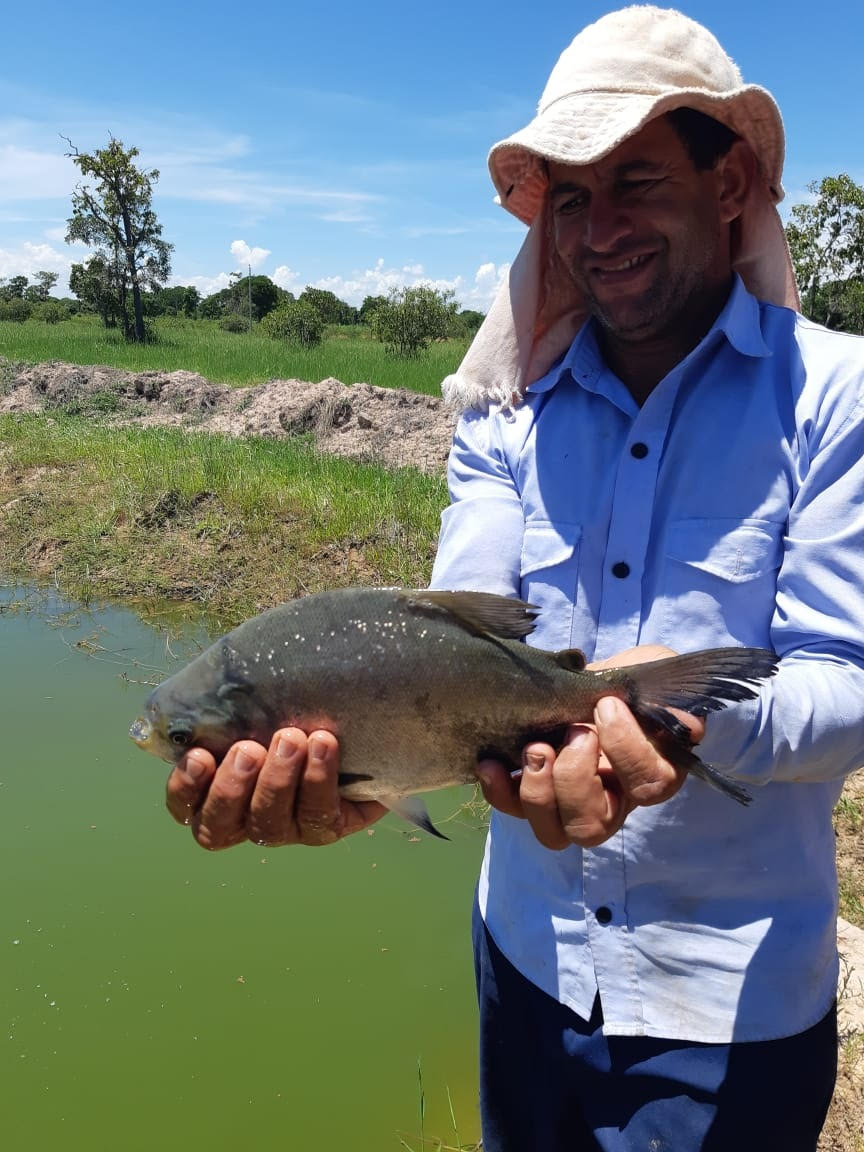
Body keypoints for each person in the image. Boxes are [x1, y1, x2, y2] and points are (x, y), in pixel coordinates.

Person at [165, 7, 864, 1149]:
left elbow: (847, 689)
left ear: (730, 182)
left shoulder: (835, 400)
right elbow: (457, 624)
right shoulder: (506, 411)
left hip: (727, 1001)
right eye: (572, 198)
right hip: (525, 963)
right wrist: (368, 780)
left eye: (636, 182)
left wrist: (671, 716)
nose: (600, 229)